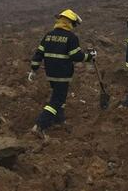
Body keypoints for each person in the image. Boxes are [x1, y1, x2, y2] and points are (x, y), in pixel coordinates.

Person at [28, 9, 95, 139]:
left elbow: (38, 54)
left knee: (60, 96)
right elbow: (76, 55)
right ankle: (39, 125)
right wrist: (89, 57)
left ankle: (59, 119)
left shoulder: (49, 35)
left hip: (51, 73)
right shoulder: (71, 37)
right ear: (70, 23)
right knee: (57, 100)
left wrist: (33, 69)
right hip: (63, 74)